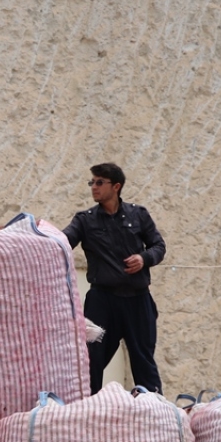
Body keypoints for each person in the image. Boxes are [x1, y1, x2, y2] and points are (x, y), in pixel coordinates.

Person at [62, 162, 166, 395]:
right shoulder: (85, 220)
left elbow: (159, 245)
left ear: (116, 186)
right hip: (102, 303)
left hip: (137, 301)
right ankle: (87, 410)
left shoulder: (138, 215)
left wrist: (144, 258)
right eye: (92, 182)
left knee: (143, 360)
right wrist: (34, 233)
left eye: (100, 182)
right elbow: (62, 241)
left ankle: (152, 411)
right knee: (90, 361)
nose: (94, 187)